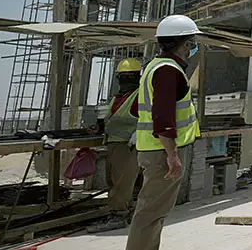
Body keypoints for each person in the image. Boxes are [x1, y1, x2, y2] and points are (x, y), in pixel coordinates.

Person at [127, 15, 202, 250]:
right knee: (150, 213)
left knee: (154, 212)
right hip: (162, 152)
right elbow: (163, 117)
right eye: (191, 42)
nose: (192, 47)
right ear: (185, 44)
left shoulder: (154, 67)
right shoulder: (169, 71)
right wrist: (172, 155)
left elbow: (136, 108)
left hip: (153, 149)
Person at [87, 58, 144, 233]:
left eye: (130, 76)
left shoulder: (140, 95)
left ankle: (118, 215)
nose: (126, 80)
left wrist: (138, 134)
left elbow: (149, 118)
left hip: (128, 145)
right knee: (114, 181)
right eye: (123, 76)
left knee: (122, 183)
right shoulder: (118, 97)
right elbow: (112, 118)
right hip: (113, 143)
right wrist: (100, 127)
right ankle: (127, 211)